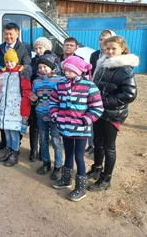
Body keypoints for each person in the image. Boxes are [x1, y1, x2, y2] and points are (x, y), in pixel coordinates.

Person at [87, 36, 138, 192]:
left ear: (122, 49)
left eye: (113, 49)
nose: (109, 51)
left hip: (113, 114)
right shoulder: (103, 64)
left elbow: (130, 94)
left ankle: (106, 178)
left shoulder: (125, 69)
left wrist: (105, 101)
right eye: (107, 48)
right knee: (97, 141)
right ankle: (97, 168)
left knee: (109, 146)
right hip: (99, 111)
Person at [50, 56, 104, 202]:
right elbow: (53, 101)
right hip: (65, 127)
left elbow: (97, 107)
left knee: (79, 156)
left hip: (81, 130)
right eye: (66, 70)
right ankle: (66, 179)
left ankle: (81, 188)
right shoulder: (60, 85)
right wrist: (55, 115)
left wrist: (86, 120)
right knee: (68, 153)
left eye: (71, 71)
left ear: (79, 71)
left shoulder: (89, 86)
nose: (67, 73)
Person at [0, 48, 31, 167]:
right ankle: (9, 150)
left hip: (15, 109)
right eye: (7, 62)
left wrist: (25, 110)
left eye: (12, 61)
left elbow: (26, 92)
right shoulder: (2, 73)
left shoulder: (21, 73)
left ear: (16, 61)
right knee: (6, 131)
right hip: (4, 108)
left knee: (14, 133)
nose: (9, 64)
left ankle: (15, 153)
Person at [0, 23, 32, 150]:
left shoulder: (24, 47)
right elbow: (0, 66)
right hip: (4, 88)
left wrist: (21, 72)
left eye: (11, 33)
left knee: (14, 121)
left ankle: (15, 147)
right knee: (3, 116)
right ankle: (6, 143)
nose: (8, 36)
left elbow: (28, 65)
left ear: (17, 33)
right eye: (6, 34)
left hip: (16, 89)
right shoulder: (1, 47)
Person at [29, 53, 64, 180]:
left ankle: (58, 166)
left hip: (55, 117)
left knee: (56, 141)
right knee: (42, 140)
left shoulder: (59, 80)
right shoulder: (36, 81)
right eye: (40, 67)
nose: (42, 69)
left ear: (51, 67)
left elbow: (62, 98)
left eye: (45, 67)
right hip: (40, 115)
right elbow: (34, 97)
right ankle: (46, 163)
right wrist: (33, 99)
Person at [86, 29, 116, 155]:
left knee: (105, 127)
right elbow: (91, 72)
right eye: (101, 39)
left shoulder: (115, 57)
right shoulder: (94, 55)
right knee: (93, 120)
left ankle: (102, 150)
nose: (103, 41)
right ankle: (92, 145)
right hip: (94, 91)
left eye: (106, 39)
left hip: (108, 96)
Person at [29, 37, 56, 162]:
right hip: (36, 95)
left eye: (40, 48)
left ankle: (45, 154)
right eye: (36, 48)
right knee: (34, 126)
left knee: (49, 133)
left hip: (49, 102)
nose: (38, 50)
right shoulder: (32, 61)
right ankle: (34, 150)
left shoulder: (54, 60)